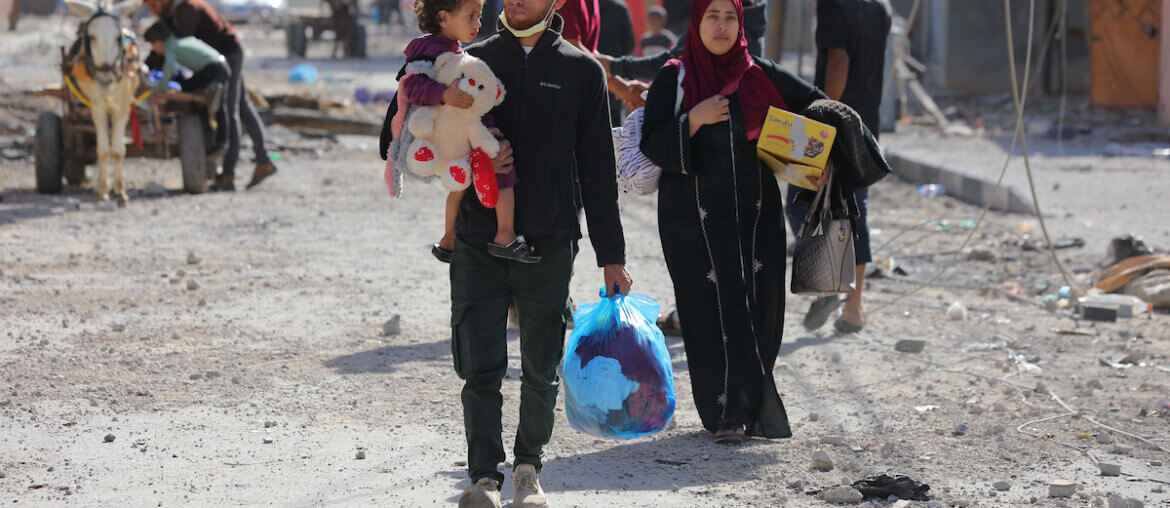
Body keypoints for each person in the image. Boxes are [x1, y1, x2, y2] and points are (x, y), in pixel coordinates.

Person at [451, 0, 631, 504]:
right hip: (477, 238)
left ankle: (529, 471)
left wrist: (611, 256)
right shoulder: (470, 60)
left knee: (540, 365)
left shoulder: (582, 72)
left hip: (549, 240)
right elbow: (417, 124)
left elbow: (598, 174)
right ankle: (484, 478)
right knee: (479, 364)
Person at [640, 0, 827, 444]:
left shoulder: (759, 74)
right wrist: (694, 119)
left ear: (741, 23)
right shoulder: (676, 77)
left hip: (756, 213)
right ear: (696, 21)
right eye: (712, 16)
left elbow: (817, 106)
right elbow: (653, 141)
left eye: (730, 17)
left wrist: (799, 142)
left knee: (762, 305)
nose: (721, 26)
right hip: (693, 219)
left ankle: (755, 402)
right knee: (707, 308)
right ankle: (724, 413)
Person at [400, 0, 537, 263]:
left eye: (479, 16)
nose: (478, 24)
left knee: (459, 184)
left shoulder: (448, 48)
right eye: (471, 17)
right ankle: (505, 235)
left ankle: (448, 239)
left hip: (456, 128)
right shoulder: (429, 50)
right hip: (447, 128)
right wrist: (443, 94)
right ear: (443, 18)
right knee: (503, 167)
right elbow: (412, 87)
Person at [786, 0, 890, 334]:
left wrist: (825, 123)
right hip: (866, 124)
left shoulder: (833, 5)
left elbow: (838, 59)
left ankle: (831, 282)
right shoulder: (879, 7)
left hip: (834, 125)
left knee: (797, 200)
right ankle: (854, 310)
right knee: (855, 212)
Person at [144, 0, 278, 192]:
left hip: (226, 54)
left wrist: (151, 67)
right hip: (218, 58)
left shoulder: (187, 9)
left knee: (230, 109)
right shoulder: (172, 13)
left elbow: (171, 45)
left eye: (153, 5)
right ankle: (263, 160)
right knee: (241, 106)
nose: (152, 10)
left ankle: (228, 175)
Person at [143, 22, 229, 160]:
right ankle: (220, 142)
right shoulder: (179, 42)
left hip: (212, 70)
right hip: (218, 67)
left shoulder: (170, 47)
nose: (154, 49)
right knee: (216, 106)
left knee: (213, 105)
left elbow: (169, 67)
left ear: (158, 42)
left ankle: (220, 142)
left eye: (152, 45)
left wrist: (160, 89)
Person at [596, 0, 634, 126]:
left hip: (588, 72)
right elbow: (629, 44)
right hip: (615, 73)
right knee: (615, 124)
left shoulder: (585, 6)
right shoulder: (620, 8)